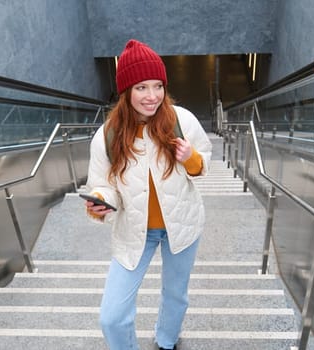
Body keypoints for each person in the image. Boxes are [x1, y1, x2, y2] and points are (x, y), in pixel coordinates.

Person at [84, 39, 212, 350]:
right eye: (142, 87)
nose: (152, 96)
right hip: (133, 230)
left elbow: (204, 163)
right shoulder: (107, 135)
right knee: (112, 317)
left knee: (175, 294)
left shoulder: (181, 120)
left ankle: (166, 342)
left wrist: (190, 158)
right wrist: (100, 202)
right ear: (126, 90)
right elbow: (102, 184)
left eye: (158, 86)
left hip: (182, 225)